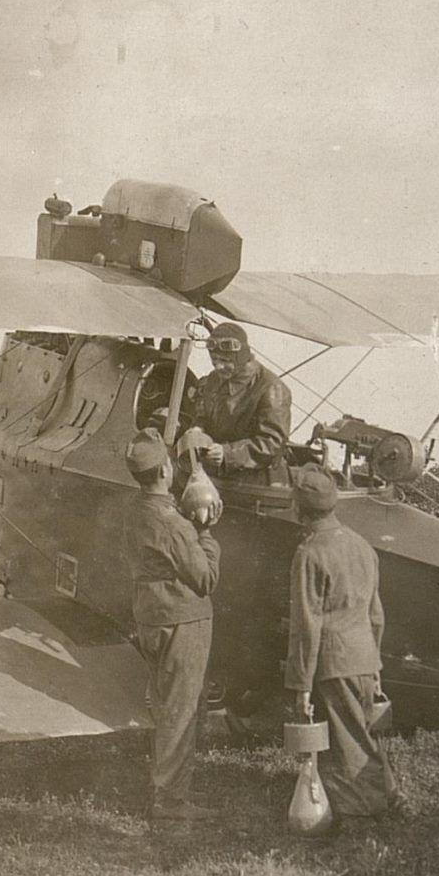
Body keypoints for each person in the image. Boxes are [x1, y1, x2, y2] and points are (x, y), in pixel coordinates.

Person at [284, 465, 399, 820]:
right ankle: (385, 795)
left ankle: (364, 811)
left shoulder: (309, 553)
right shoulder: (362, 545)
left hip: (334, 662)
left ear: (300, 509)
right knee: (362, 732)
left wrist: (301, 685)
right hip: (363, 655)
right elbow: (376, 614)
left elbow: (306, 625)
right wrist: (374, 663)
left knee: (349, 742)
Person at [124, 428, 222, 823]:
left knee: (166, 705)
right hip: (182, 622)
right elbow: (205, 579)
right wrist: (206, 533)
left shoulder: (135, 511)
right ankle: (171, 802)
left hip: (150, 616)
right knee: (181, 711)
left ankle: (165, 784)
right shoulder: (174, 525)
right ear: (165, 470)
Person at [182, 321, 292, 486]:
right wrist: (198, 429)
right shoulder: (214, 379)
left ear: (241, 357)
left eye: (225, 361)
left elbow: (272, 443)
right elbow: (203, 413)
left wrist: (228, 454)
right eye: (214, 361)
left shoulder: (272, 388)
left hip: (255, 480)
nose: (219, 367)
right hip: (215, 473)